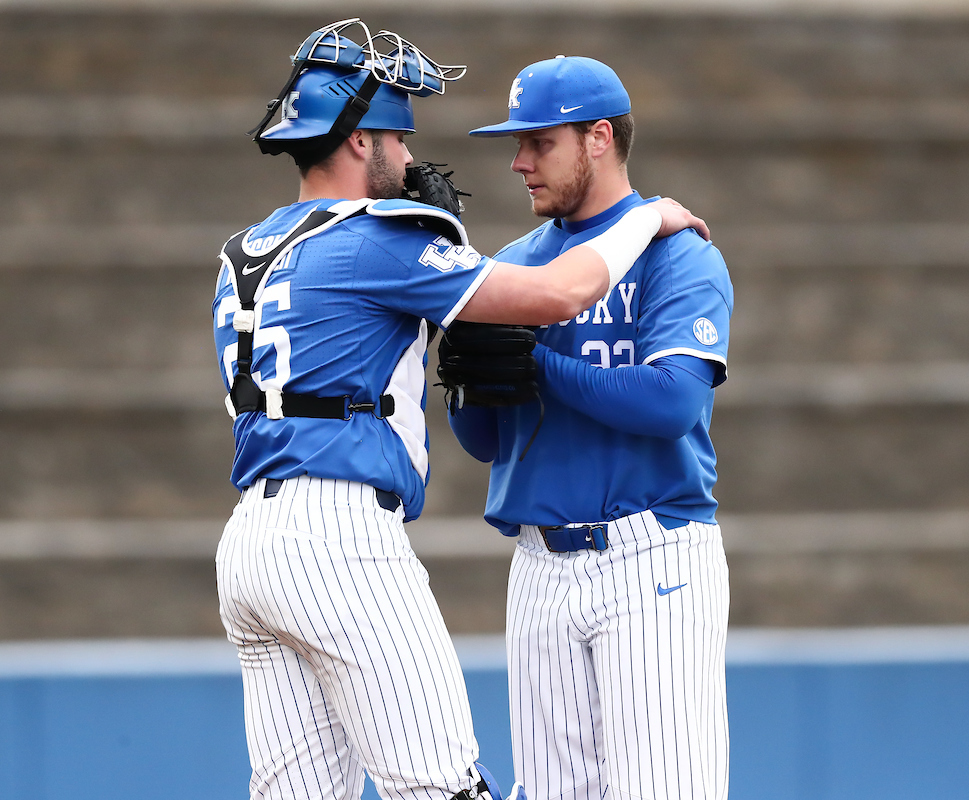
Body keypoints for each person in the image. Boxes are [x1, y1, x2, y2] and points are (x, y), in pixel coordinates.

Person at [210, 22, 707, 800]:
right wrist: (649, 216)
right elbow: (561, 294)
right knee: (445, 788)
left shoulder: (245, 249)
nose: (409, 161)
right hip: (339, 538)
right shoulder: (381, 237)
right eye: (396, 140)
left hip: (249, 549)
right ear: (359, 140)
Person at [447, 56, 734, 800]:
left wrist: (538, 364)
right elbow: (487, 444)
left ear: (598, 137)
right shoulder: (513, 265)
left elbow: (674, 402)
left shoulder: (678, 252)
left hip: (651, 557)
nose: (518, 162)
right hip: (539, 564)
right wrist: (466, 371)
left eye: (539, 142)